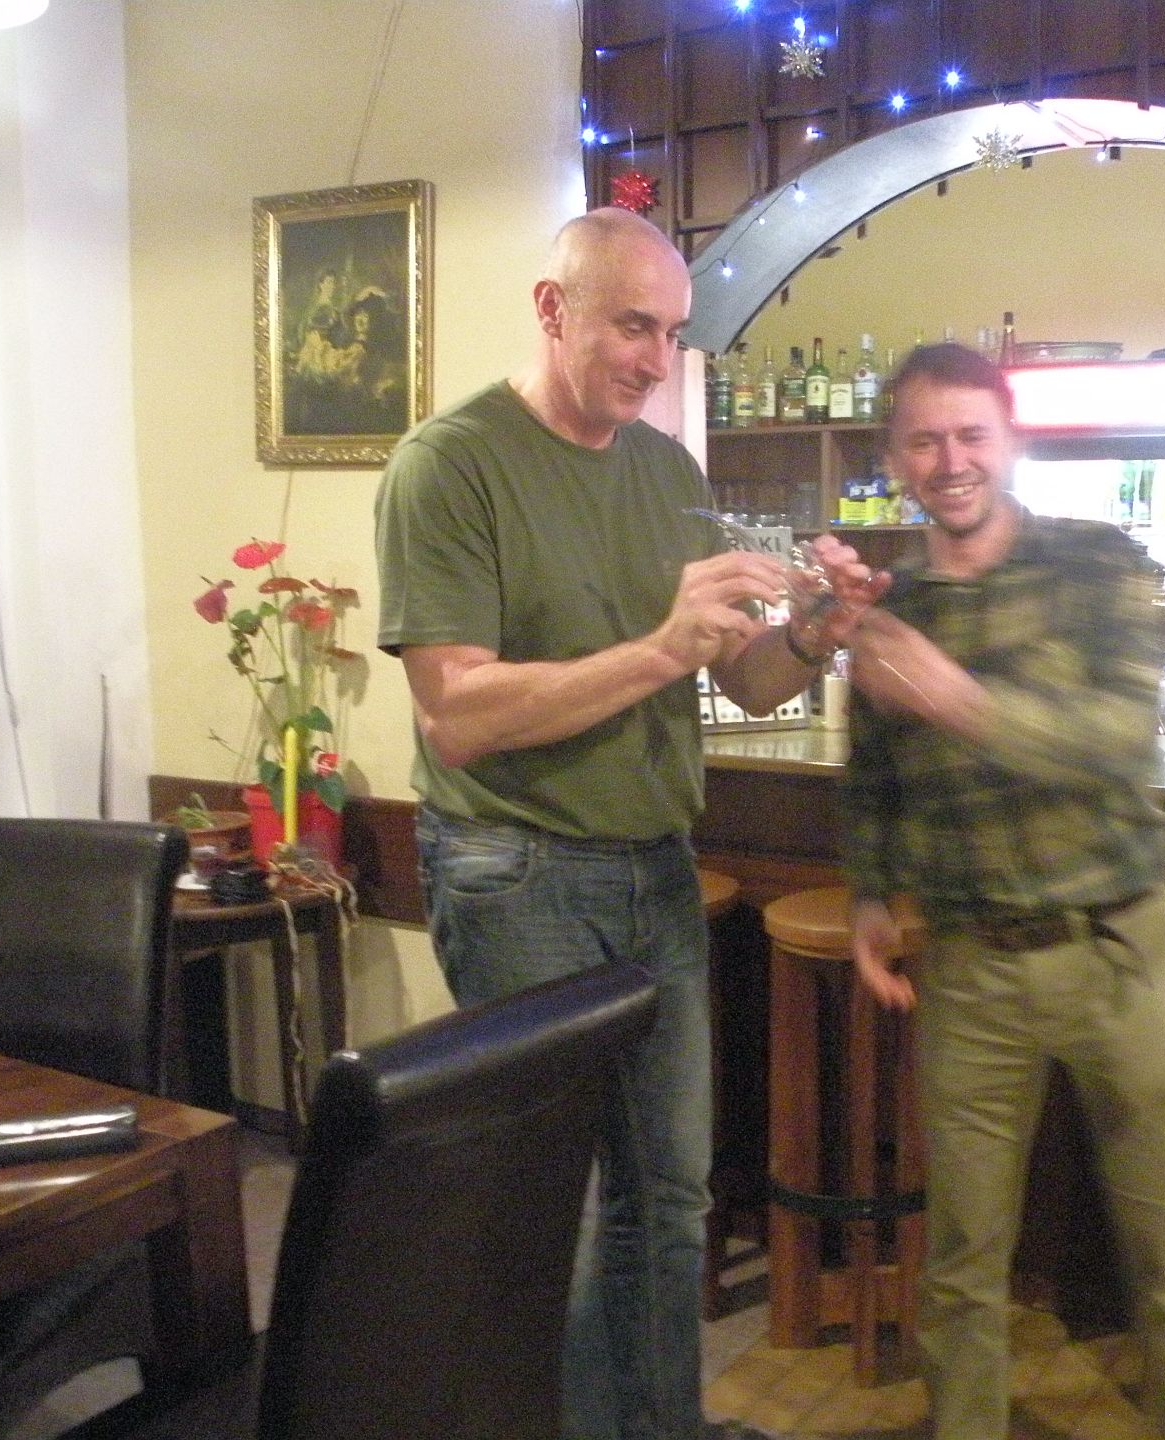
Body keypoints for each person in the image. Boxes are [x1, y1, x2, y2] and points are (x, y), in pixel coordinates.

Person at [374, 206, 883, 1440]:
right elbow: (458, 716)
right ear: (553, 311)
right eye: (633, 327)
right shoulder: (449, 465)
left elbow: (739, 681)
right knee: (550, 1204)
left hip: (657, 866)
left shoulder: (667, 471)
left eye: (673, 334)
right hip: (514, 870)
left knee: (668, 1194)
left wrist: (814, 633)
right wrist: (662, 646)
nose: (658, 361)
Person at [841, 344, 1165, 1440]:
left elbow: (1118, 737)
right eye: (925, 441)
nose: (951, 461)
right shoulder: (893, 606)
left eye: (971, 434)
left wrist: (956, 696)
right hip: (972, 965)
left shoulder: (1099, 562)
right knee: (961, 1269)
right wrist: (872, 896)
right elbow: (874, 774)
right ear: (896, 459)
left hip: (1124, 955)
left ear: (1010, 439)